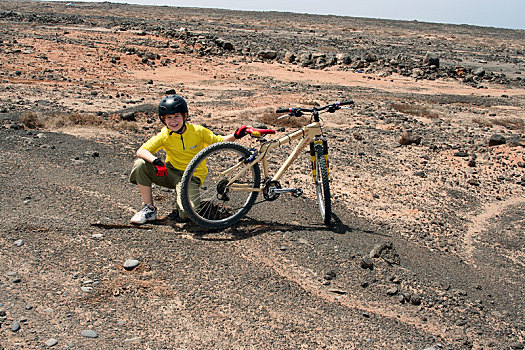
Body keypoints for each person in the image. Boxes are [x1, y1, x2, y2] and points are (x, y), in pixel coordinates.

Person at [129, 95, 248, 224]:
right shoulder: (164, 134)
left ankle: (188, 200)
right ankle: (149, 209)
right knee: (141, 164)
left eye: (176, 116)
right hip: (171, 173)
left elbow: (219, 141)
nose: (173, 121)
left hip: (192, 177)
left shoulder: (198, 131)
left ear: (185, 116)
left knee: (187, 215)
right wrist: (155, 161)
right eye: (168, 117)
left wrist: (236, 135)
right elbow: (141, 151)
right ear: (163, 119)